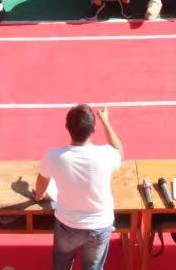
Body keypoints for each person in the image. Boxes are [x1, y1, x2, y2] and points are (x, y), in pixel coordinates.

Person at [34, 104, 123, 270]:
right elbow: (118, 150)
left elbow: (41, 183)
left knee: (61, 264)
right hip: (100, 225)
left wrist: (39, 195)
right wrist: (105, 121)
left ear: (67, 128)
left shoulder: (54, 156)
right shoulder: (106, 154)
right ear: (93, 129)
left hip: (68, 225)